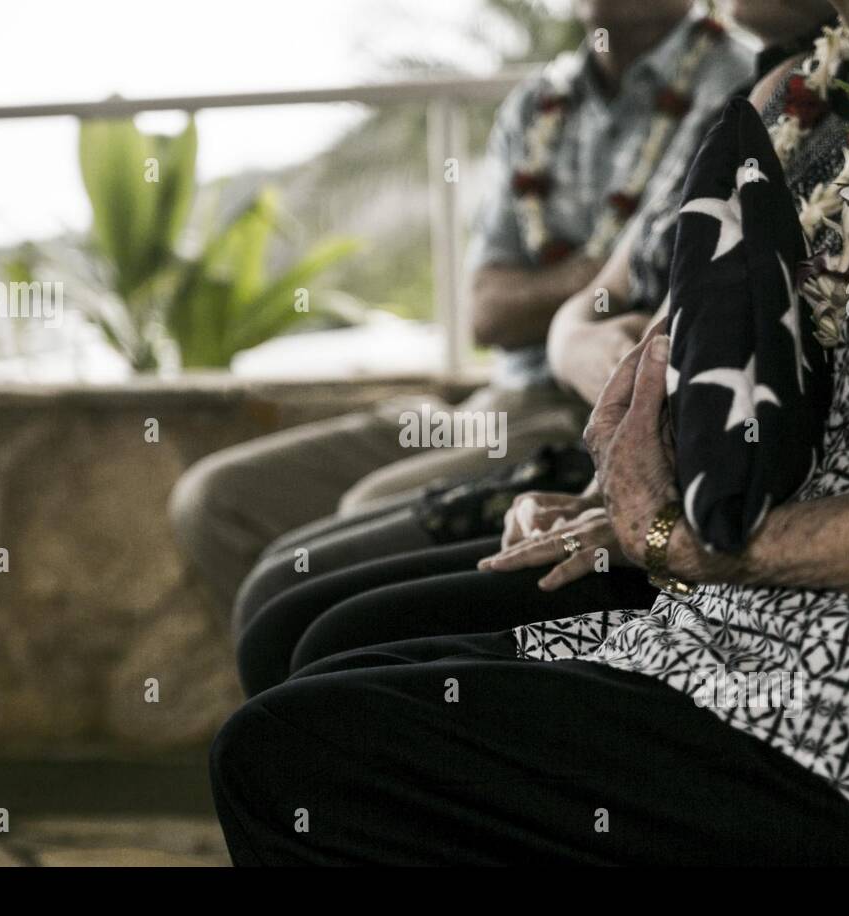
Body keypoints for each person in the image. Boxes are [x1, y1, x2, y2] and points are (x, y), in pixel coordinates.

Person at [211, 0, 849, 866]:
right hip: (764, 629)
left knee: (289, 755)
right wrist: (636, 494)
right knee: (315, 660)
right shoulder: (815, 80)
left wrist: (685, 542)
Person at [170, 0, 756, 619]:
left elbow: (662, 284)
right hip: (497, 401)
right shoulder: (538, 102)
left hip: (593, 411)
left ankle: (347, 688)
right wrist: (587, 290)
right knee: (214, 500)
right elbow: (487, 313)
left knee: (365, 511)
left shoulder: (737, 81)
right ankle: (291, 699)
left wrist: (564, 301)